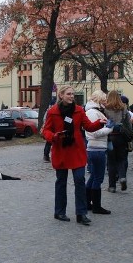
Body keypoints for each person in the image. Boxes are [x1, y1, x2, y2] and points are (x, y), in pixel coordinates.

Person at [42, 85, 106, 225]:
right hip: (61, 150)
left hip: (76, 151)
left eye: (73, 94)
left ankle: (81, 213)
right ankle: (59, 212)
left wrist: (99, 123)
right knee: (61, 182)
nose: (72, 96)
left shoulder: (78, 110)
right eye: (69, 94)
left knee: (79, 180)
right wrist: (54, 136)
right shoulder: (53, 112)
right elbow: (45, 131)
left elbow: (88, 126)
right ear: (61, 95)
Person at [84, 90, 114, 214]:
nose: (106, 102)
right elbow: (94, 133)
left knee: (93, 177)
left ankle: (88, 203)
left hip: (96, 148)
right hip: (96, 148)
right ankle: (96, 206)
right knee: (98, 178)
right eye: (104, 100)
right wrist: (109, 128)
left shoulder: (95, 112)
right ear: (99, 100)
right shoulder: (92, 113)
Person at [104, 91, 132, 193]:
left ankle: (112, 186)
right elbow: (128, 123)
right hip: (121, 136)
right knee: (122, 159)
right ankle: (122, 177)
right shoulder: (123, 108)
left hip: (110, 136)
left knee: (111, 162)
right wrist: (129, 135)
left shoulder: (105, 109)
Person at [42, 97, 56, 162]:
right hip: (51, 128)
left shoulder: (48, 110)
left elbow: (44, 119)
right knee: (50, 142)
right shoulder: (52, 110)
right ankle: (47, 156)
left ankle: (46, 156)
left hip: (49, 127)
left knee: (48, 142)